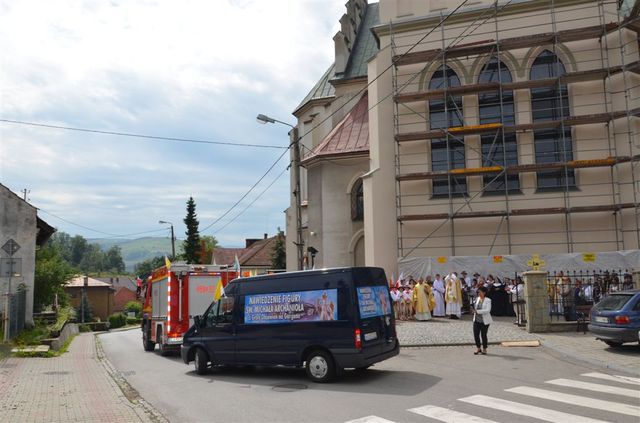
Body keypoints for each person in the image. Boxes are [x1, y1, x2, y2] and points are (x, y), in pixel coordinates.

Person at [472, 286, 493, 355]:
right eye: (478, 292)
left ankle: (484, 348)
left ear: (484, 293)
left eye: (480, 292)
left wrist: (477, 311)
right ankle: (478, 348)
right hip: (476, 320)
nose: (479, 293)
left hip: (485, 321)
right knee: (476, 334)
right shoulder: (477, 299)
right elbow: (475, 307)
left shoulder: (488, 300)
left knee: (483, 335)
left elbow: (487, 310)